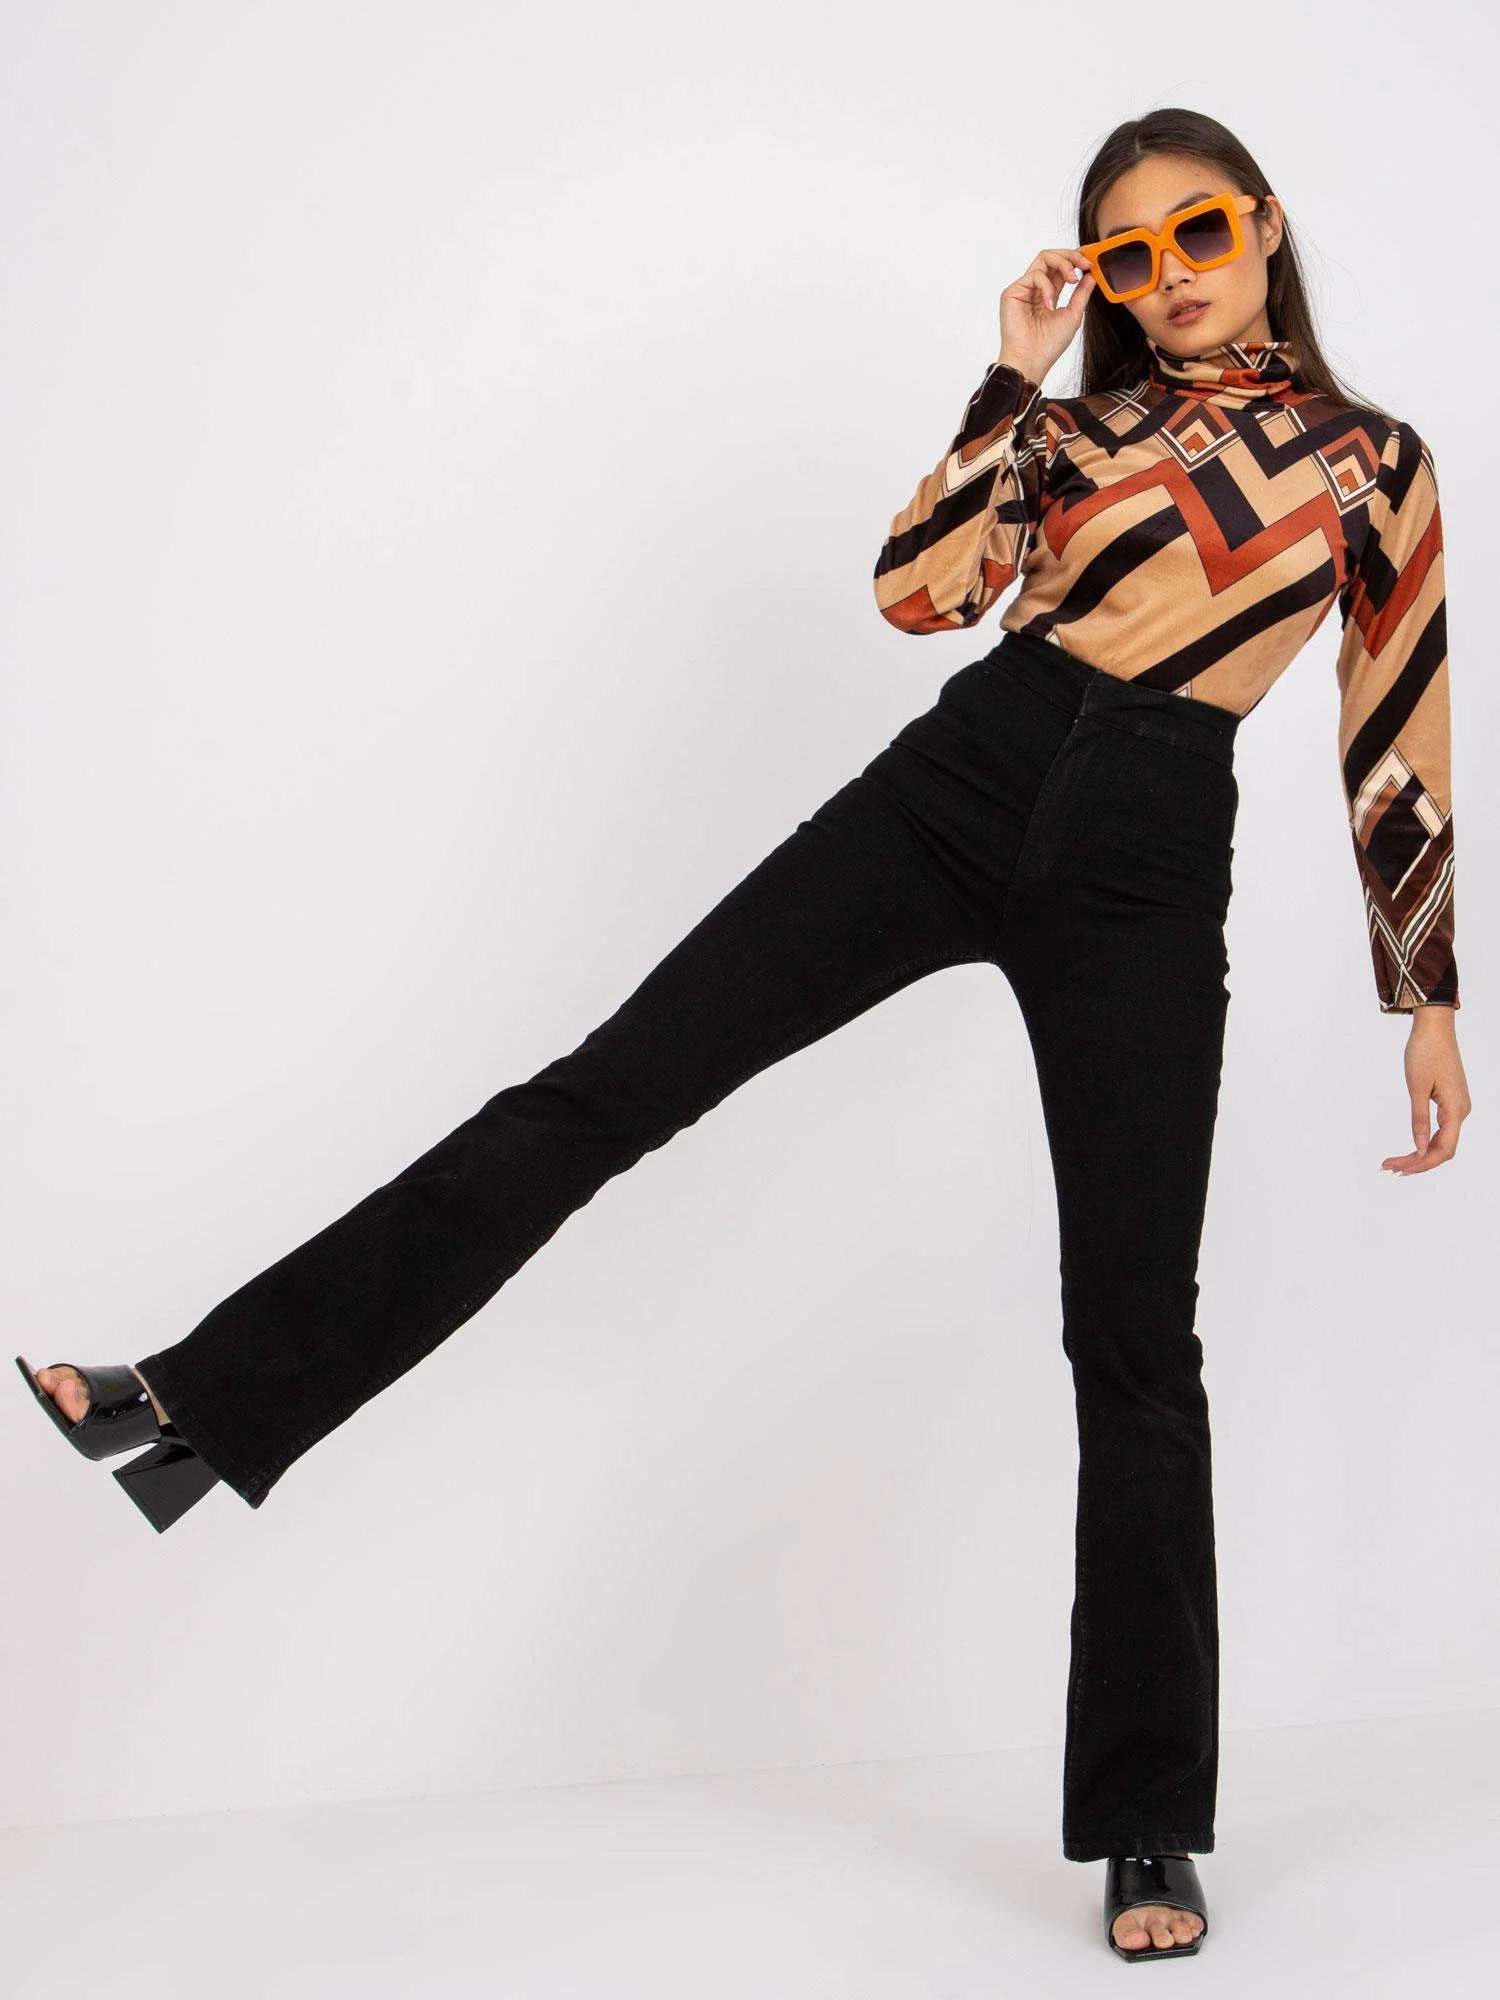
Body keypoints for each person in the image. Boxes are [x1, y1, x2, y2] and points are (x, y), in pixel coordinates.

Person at [16, 107, 1473, 1962]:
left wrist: (1426, 998)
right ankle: (198, 1396)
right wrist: (1009, 374)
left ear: (1263, 230)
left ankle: (1145, 1824)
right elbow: (919, 595)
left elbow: (1397, 731)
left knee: (1135, 1339)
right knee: (601, 1096)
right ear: (1100, 277)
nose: (1170, 274)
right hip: (962, 781)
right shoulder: (1067, 432)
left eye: (1200, 233)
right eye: (1129, 253)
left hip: (1152, 859)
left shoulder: (1376, 465)